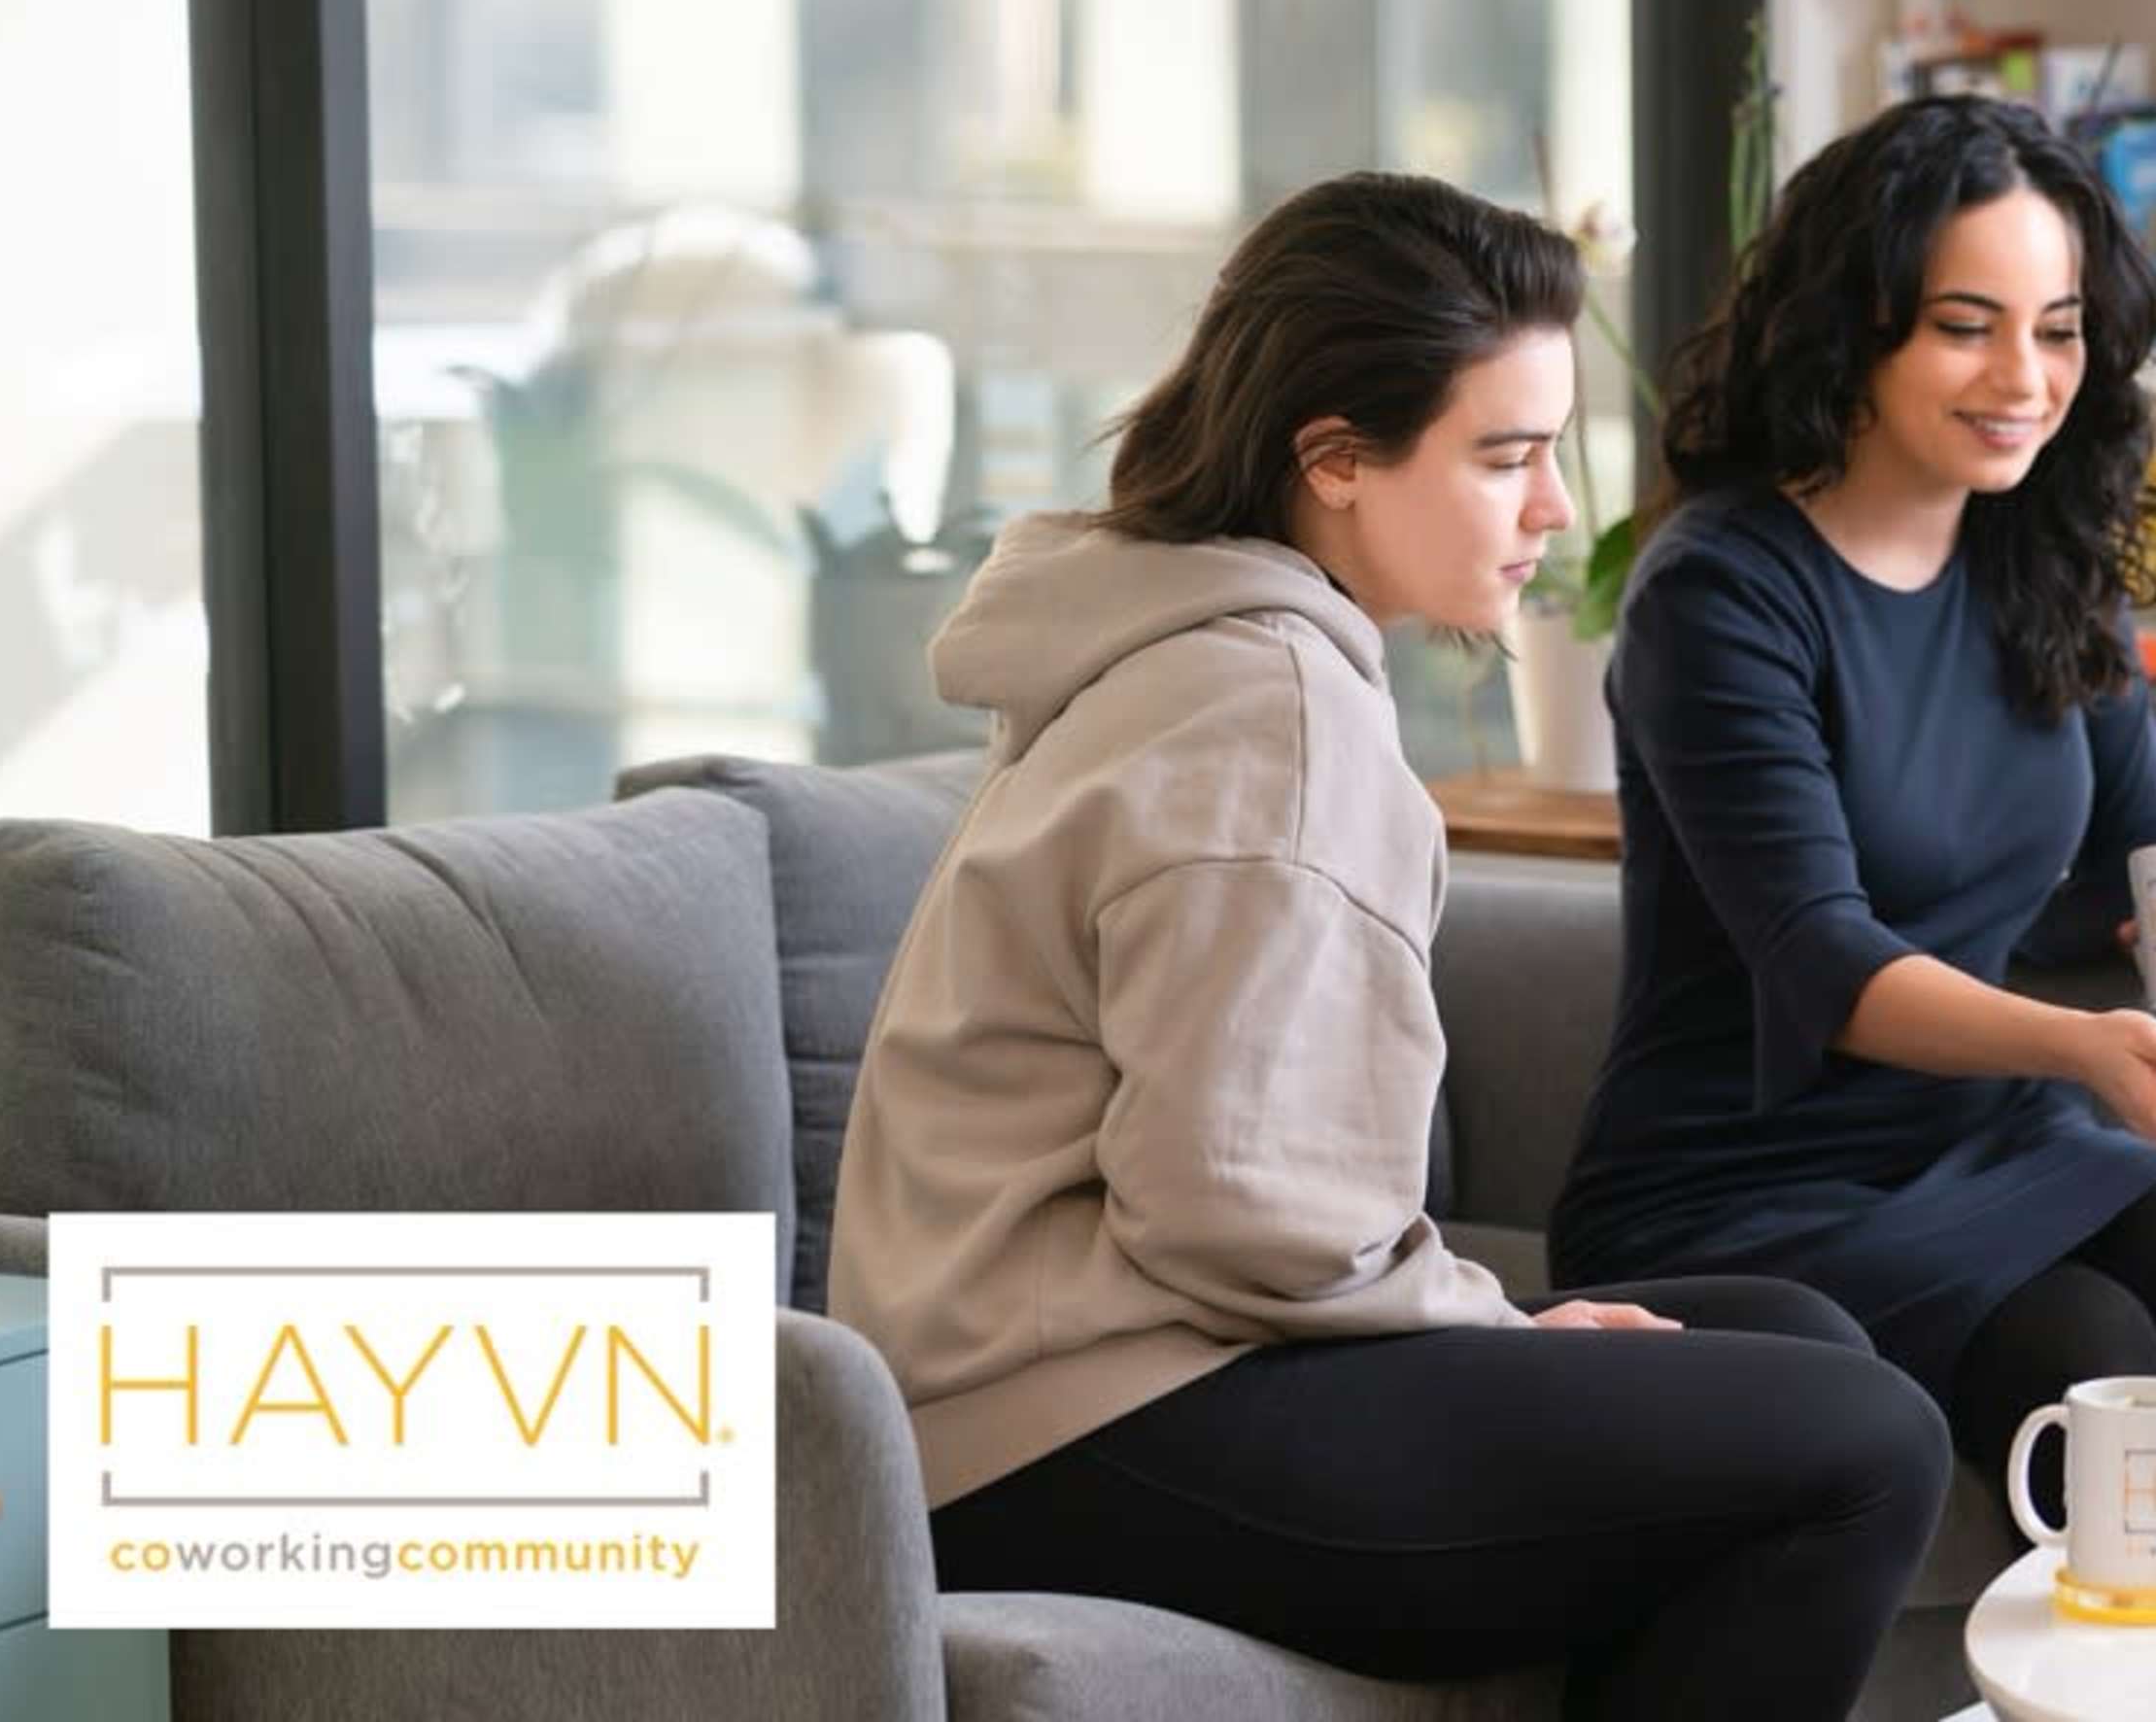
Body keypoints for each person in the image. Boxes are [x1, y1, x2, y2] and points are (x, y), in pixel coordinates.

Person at [829, 172, 1949, 1721]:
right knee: (1863, 1446)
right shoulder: (1264, 705)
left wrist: (1509, 1338)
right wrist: (1496, 1325)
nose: (1555, 509)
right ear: (1336, 460)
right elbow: (1236, 1205)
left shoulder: (1198, 646)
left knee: (1794, 1335)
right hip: (1073, 1426)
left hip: (1074, 1381)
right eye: (1506, 456)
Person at [1549, 95, 2156, 1512]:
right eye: (1967, 326)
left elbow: (2140, 843)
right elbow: (1824, 965)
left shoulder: (2045, 553)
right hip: (1744, 1183)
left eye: (2059, 327)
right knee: (2090, 1353)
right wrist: (2081, 1046)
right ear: (1856, 328)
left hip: (1983, 1125)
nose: (2025, 378)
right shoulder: (1722, 593)